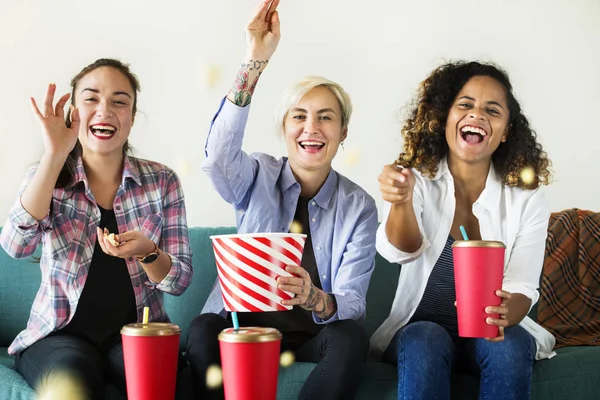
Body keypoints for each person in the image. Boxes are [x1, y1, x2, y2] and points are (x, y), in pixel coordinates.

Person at [185, 1, 378, 399]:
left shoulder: (358, 206)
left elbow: (353, 301)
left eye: (326, 117)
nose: (312, 128)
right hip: (242, 329)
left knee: (351, 336)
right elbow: (217, 158)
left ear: (343, 132)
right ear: (284, 128)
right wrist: (254, 60)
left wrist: (315, 298)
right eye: (299, 116)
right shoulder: (256, 175)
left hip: (312, 336)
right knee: (202, 328)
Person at [0, 58, 193, 399]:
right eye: (91, 98)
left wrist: (147, 252)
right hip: (58, 338)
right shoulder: (48, 177)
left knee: (156, 383)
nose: (105, 109)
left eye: (119, 101)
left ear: (132, 118)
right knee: (74, 381)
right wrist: (54, 154)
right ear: (74, 112)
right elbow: (15, 246)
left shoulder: (162, 181)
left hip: (137, 334)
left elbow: (178, 281)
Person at [370, 61, 555, 400]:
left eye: (492, 110)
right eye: (465, 105)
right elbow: (402, 251)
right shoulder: (415, 178)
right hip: (421, 331)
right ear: (445, 119)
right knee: (425, 336)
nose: (477, 115)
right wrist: (401, 200)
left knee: (510, 343)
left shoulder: (528, 198)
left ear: (505, 131)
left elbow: (522, 286)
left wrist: (502, 316)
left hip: (490, 334)